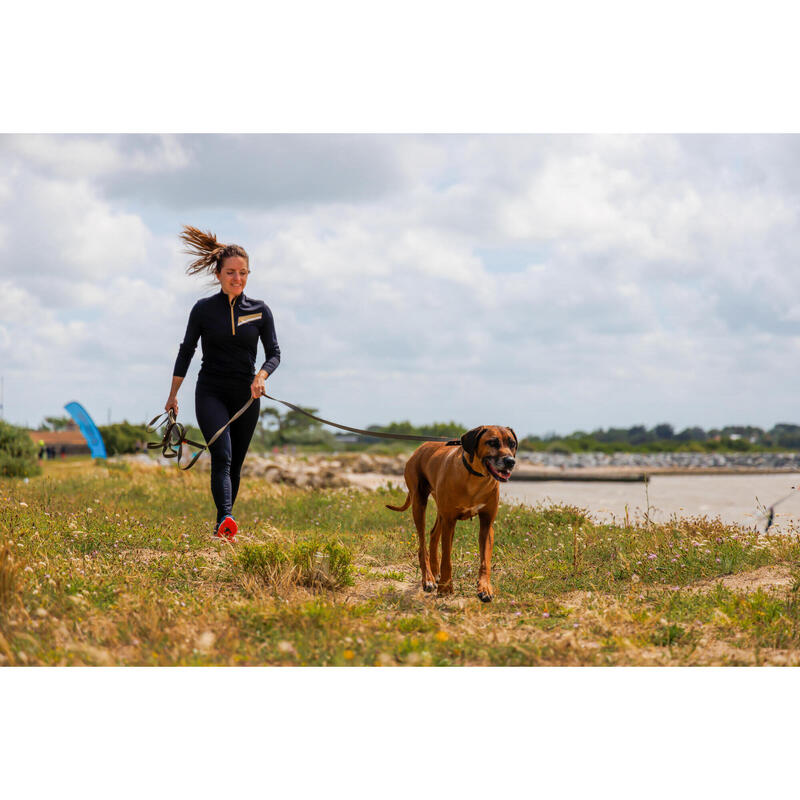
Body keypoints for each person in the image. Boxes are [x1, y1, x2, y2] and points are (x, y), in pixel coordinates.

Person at [165, 226, 281, 541]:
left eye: (243, 273)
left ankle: (222, 525)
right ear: (218, 274)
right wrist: (173, 395)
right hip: (211, 391)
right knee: (222, 455)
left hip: (246, 395)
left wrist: (262, 376)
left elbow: (274, 354)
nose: (237, 278)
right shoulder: (203, 310)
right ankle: (228, 518)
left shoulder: (260, 311)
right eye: (231, 272)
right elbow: (186, 351)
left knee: (236, 464)